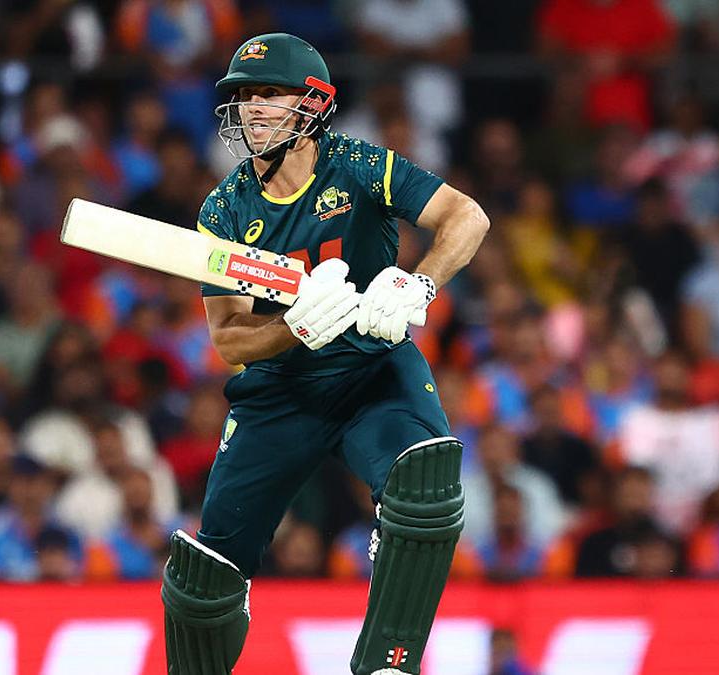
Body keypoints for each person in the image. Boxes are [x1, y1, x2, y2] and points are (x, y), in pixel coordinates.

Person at [160, 33, 489, 675]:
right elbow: (228, 339)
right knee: (205, 577)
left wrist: (419, 283)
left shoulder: (360, 166)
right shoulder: (224, 210)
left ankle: (387, 664)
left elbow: (467, 217)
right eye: (244, 95)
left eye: (269, 93)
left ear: (312, 102)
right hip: (279, 392)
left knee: (423, 487)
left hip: (372, 371)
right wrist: (295, 328)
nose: (252, 108)